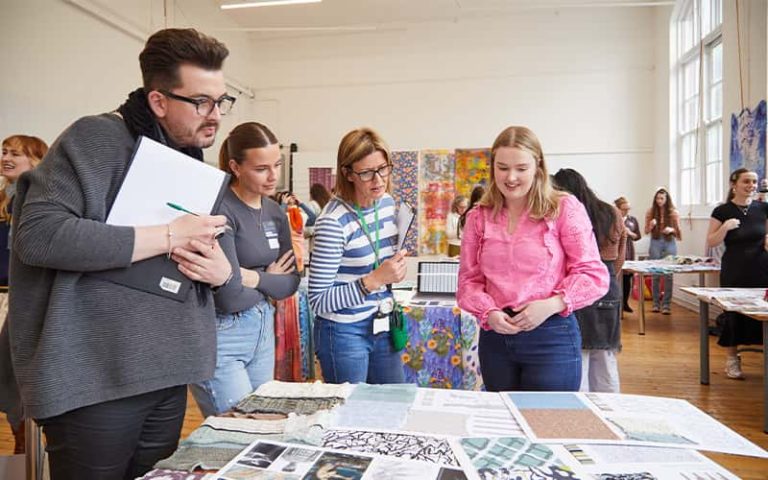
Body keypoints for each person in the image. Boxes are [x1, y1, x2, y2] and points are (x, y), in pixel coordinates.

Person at [0, 28, 235, 480]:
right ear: (159, 101)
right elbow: (40, 236)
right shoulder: (95, 139)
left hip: (164, 373)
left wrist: (220, 270)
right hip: (96, 380)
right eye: (201, 102)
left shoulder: (187, 157)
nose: (214, 116)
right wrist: (168, 235)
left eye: (221, 102)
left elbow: (205, 250)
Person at [456, 126, 609, 392]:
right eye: (502, 168)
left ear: (538, 166)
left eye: (521, 168)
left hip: (551, 335)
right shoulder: (478, 216)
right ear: (492, 168)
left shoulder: (563, 208)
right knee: (502, 425)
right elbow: (468, 281)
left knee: (550, 423)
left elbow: (593, 275)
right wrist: (488, 312)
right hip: (496, 339)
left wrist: (551, 304)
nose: (511, 177)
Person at [190, 122, 299, 417]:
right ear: (236, 167)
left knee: (261, 422)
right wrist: (268, 279)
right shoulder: (219, 210)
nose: (273, 175)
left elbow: (291, 283)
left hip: (263, 327)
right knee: (237, 429)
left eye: (277, 164)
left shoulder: (275, 211)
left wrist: (250, 277)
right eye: (261, 168)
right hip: (223, 333)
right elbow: (228, 297)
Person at [308, 127, 407, 384]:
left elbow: (380, 261)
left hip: (382, 322)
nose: (378, 180)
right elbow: (318, 301)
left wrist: (394, 271)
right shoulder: (333, 222)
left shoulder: (385, 202)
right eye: (366, 173)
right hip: (343, 332)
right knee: (349, 414)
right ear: (347, 173)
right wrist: (373, 280)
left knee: (392, 406)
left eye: (383, 168)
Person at [553, 168, 626, 393]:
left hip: (577, 284)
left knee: (579, 355)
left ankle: (583, 413)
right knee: (606, 356)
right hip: (607, 284)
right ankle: (611, 409)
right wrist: (606, 280)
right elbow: (620, 257)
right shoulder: (611, 212)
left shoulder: (568, 212)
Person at [0, 134, 48, 454]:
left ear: (35, 161)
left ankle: (26, 449)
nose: (5, 157)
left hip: (20, 299)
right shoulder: (5, 198)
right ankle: (20, 446)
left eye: (15, 153)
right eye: (3, 151)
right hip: (5, 295)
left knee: (16, 380)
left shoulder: (36, 200)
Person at [706, 168, 768, 380]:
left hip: (761, 266)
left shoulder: (763, 208)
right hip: (735, 267)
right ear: (734, 184)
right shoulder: (722, 211)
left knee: (762, 311)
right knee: (733, 313)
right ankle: (732, 359)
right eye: (746, 181)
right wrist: (725, 227)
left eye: (754, 182)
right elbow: (712, 241)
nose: (751, 185)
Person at [644, 187, 681, 314]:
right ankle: (655, 303)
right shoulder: (650, 212)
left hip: (669, 241)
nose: (659, 201)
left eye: (662, 198)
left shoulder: (673, 213)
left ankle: (666, 305)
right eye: (657, 198)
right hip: (655, 241)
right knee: (655, 273)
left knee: (668, 274)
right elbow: (646, 231)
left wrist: (672, 230)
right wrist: (651, 225)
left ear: (667, 199)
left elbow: (679, 234)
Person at [614, 196, 642, 313]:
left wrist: (630, 233)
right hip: (616, 250)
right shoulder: (613, 219)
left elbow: (638, 236)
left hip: (629, 249)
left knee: (627, 278)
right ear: (618, 208)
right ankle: (616, 303)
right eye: (624, 209)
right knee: (616, 277)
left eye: (628, 209)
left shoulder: (632, 220)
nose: (626, 211)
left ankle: (625, 303)